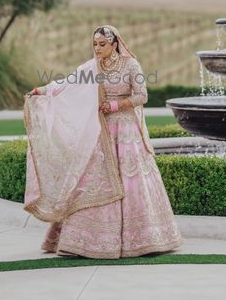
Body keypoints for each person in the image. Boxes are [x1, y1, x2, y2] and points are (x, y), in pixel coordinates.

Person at [23, 24, 183, 258]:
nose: (97, 49)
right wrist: (41, 90)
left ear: (115, 44)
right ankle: (83, 240)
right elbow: (67, 83)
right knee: (91, 179)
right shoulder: (93, 67)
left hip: (126, 129)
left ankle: (143, 239)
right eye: (95, 44)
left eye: (102, 44)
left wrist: (116, 105)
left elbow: (142, 95)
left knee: (131, 180)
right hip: (101, 130)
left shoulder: (131, 65)